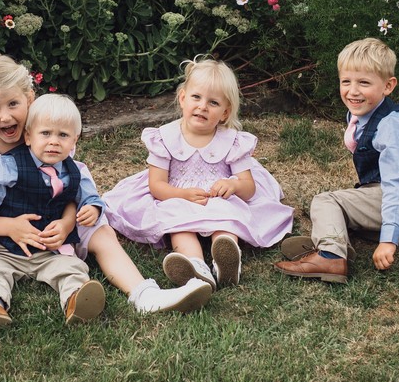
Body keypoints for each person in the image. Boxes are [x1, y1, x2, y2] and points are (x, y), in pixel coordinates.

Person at [0, 56, 209, 344]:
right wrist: (9, 227)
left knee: (100, 230)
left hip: (50, 218)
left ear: (30, 99)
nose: (5, 116)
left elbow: (69, 189)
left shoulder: (50, 135)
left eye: (13, 104)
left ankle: (144, 293)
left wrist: (68, 222)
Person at [104, 58, 294, 292]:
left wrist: (233, 186)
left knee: (228, 213)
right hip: (176, 193)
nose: (203, 106)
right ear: (183, 98)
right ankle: (195, 265)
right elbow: (157, 185)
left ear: (225, 113)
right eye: (196, 97)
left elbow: (249, 187)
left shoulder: (232, 141)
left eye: (213, 102)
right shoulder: (165, 138)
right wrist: (181, 195)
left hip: (217, 196)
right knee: (178, 223)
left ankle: (226, 255)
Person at [274, 37, 399, 283]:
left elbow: (398, 185)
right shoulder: (361, 115)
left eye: (364, 82)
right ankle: (335, 243)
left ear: (388, 86)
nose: (353, 91)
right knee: (343, 208)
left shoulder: (391, 125)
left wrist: (388, 241)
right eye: (346, 81)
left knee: (326, 201)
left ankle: (330, 256)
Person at [0, 94, 107, 329]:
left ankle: (76, 300)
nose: (54, 142)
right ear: (28, 136)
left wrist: (92, 208)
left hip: (51, 249)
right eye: (45, 133)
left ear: (74, 140)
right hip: (9, 249)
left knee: (71, 269)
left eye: (63, 135)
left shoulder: (74, 171)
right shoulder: (9, 164)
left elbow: (90, 196)